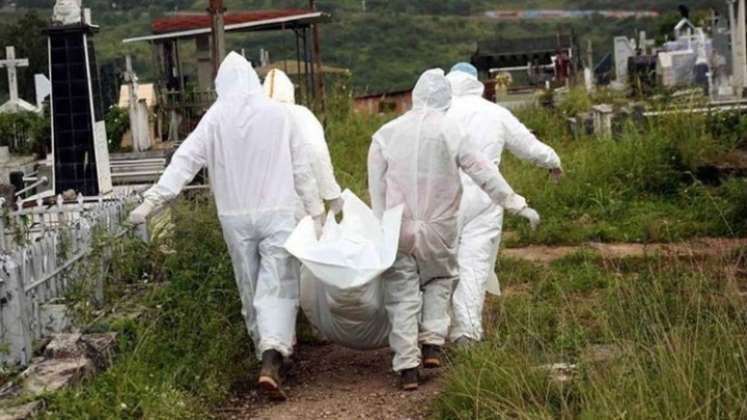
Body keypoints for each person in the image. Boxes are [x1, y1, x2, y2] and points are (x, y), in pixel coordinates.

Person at [127, 52, 323, 401]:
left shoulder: (215, 118)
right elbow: (302, 168)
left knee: (249, 286)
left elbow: (185, 161)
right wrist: (316, 212)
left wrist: (154, 200)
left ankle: (266, 355)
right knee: (277, 283)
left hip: (234, 216)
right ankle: (273, 356)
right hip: (277, 211)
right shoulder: (279, 114)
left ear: (221, 84)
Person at [368, 68, 540, 390]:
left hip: (400, 227)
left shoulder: (385, 133)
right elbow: (483, 171)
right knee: (440, 279)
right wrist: (515, 202)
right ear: (446, 99)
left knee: (402, 294)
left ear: (415, 96)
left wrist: (382, 225)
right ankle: (433, 341)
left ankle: (407, 367)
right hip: (440, 227)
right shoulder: (452, 130)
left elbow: (376, 185)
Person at [446, 63, 562, 346]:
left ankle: (431, 336)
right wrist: (553, 161)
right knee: (474, 265)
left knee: (438, 267)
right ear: (476, 84)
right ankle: (466, 336)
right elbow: (527, 144)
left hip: (441, 199)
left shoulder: (439, 113)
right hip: (487, 197)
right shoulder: (495, 113)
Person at [263, 68, 344, 217]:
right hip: (306, 199)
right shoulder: (303, 114)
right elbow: (318, 153)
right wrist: (332, 194)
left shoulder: (261, 118)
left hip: (270, 205)